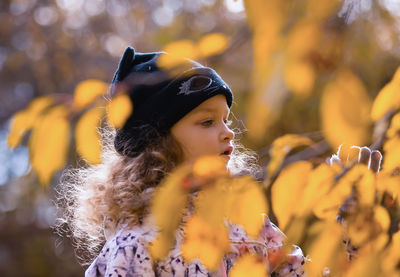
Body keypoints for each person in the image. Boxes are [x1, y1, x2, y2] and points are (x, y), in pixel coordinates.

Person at [58, 46, 307, 276]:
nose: (228, 132)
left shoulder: (249, 223)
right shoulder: (137, 245)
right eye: (207, 122)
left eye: (226, 120)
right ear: (158, 143)